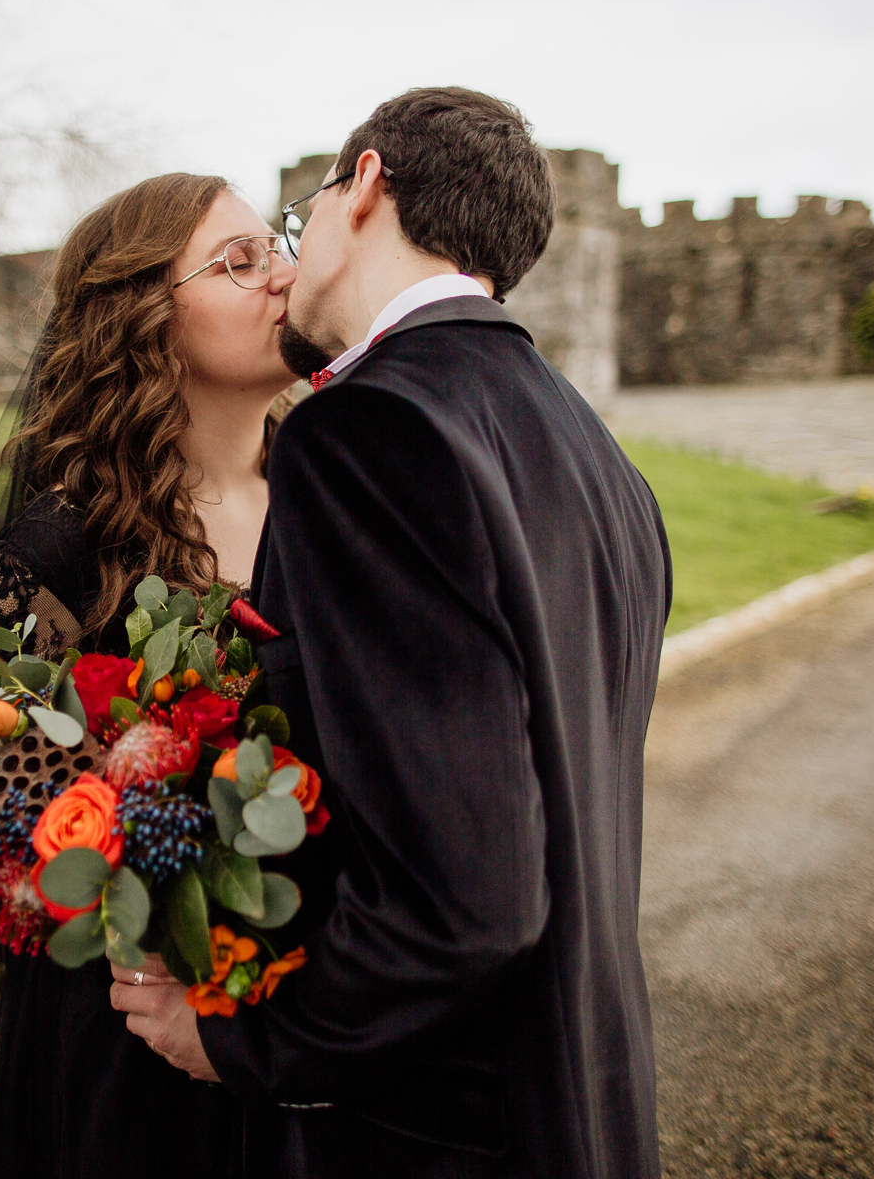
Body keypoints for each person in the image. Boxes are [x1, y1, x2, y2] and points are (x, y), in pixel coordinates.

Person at [108, 88, 671, 1178]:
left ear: (362, 185)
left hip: (434, 1126)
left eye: (295, 216)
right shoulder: (599, 456)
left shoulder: (370, 431)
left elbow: (468, 900)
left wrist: (247, 1040)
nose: (286, 256)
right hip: (588, 1090)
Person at [0, 173, 298, 1178]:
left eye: (278, 244)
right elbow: (7, 806)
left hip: (312, 996)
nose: (282, 275)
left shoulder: (330, 489)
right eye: (239, 261)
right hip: (133, 1021)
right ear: (146, 319)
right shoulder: (62, 547)